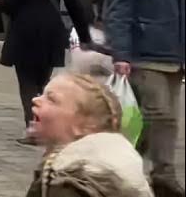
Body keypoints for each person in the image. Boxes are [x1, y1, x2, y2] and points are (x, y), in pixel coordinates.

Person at [104, 0, 184, 197]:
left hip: (172, 53)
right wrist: (121, 53)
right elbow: (119, 8)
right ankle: (161, 175)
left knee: (164, 120)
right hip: (145, 52)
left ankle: (128, 164)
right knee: (158, 115)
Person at [0, 0, 92, 145]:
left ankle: (34, 127)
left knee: (27, 83)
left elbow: (11, 3)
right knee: (43, 81)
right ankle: (47, 125)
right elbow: (74, 4)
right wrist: (84, 36)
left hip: (25, 30)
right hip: (52, 30)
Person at [24, 73, 152, 197]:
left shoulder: (73, 183)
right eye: (42, 94)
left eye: (51, 99)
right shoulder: (105, 168)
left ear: (85, 125)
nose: (35, 99)